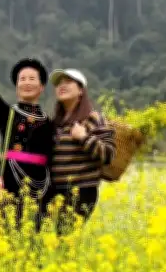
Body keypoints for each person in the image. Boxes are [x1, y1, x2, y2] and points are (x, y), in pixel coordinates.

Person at [0, 47, 55, 235]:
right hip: (8, 182)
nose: (27, 83)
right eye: (22, 79)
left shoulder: (50, 123)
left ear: (41, 86)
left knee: (33, 241)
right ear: (17, 86)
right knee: (2, 238)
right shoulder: (8, 114)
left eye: (32, 79)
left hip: (40, 188)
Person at [42, 68, 116, 236]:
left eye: (68, 82)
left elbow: (108, 154)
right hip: (54, 192)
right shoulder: (56, 124)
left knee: (65, 242)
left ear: (81, 90)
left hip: (81, 191)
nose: (62, 86)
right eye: (59, 83)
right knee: (44, 240)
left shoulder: (93, 119)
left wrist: (83, 138)